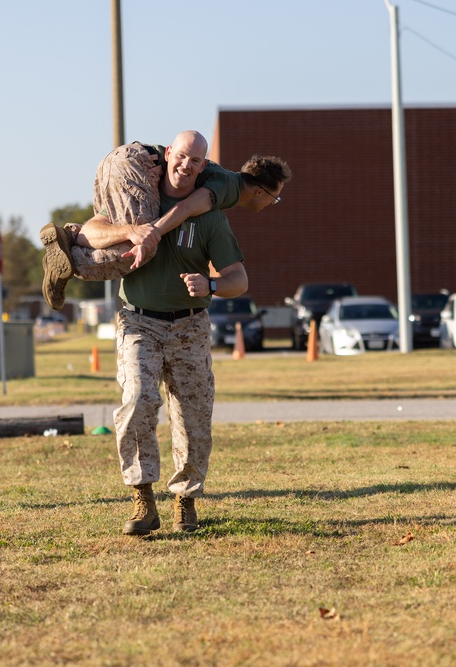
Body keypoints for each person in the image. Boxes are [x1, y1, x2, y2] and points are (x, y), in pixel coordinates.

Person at [114, 130, 287, 536]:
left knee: (193, 416)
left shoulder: (211, 215)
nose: (185, 166)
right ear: (168, 154)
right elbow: (99, 223)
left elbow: (238, 278)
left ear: (204, 166)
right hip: (138, 320)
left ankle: (185, 500)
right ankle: (143, 499)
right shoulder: (137, 199)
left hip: (189, 325)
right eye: (181, 157)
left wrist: (210, 285)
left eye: (195, 161)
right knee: (137, 398)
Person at [39, 133, 291, 310]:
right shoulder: (227, 188)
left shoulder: (221, 179)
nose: (272, 204)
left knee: (118, 231)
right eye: (275, 199)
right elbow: (186, 207)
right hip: (135, 165)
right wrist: (148, 235)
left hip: (121, 159)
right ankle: (68, 261)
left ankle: (70, 238)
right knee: (138, 247)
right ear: (260, 192)